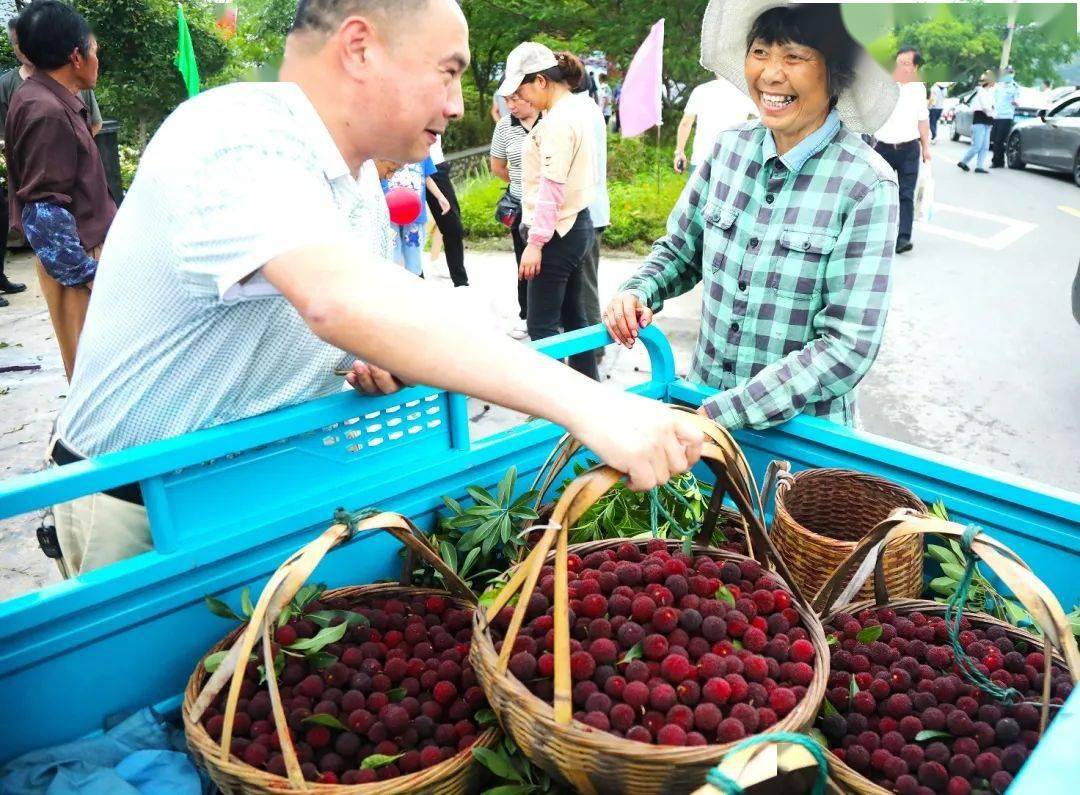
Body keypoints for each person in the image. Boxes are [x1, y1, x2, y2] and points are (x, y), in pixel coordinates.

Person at [49, 0, 703, 576]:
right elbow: (336, 299)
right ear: (360, 48)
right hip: (139, 510)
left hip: (252, 489)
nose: (456, 101)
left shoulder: (359, 185)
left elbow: (364, 312)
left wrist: (367, 357)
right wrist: (590, 406)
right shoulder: (234, 136)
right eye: (447, 71)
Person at [605, 0, 900, 431]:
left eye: (794, 57)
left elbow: (848, 346)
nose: (770, 74)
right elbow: (681, 251)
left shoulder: (866, 185)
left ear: (835, 73)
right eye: (760, 52)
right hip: (702, 408)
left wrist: (729, 412)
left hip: (801, 441)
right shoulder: (729, 149)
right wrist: (638, 291)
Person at [6, 2, 115, 381]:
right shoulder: (45, 109)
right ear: (76, 56)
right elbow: (44, 209)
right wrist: (88, 274)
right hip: (77, 262)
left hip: (82, 253)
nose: (97, 60)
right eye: (95, 51)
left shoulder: (44, 96)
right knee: (98, 378)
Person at [500, 44, 598, 381]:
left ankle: (557, 406)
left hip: (557, 231)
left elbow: (551, 187)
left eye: (520, 88)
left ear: (540, 81)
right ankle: (589, 392)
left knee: (541, 324)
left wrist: (536, 243)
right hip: (576, 224)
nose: (519, 97)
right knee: (574, 318)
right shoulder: (577, 109)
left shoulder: (558, 120)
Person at [490, 92, 541, 337]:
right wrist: (521, 183)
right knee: (524, 263)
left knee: (552, 263)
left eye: (515, 99)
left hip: (550, 206)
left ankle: (555, 316)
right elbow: (497, 167)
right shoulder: (504, 126)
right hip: (521, 207)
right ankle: (527, 314)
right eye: (506, 99)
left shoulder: (551, 119)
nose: (509, 106)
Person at [0, 15, 104, 136]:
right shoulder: (5, 85)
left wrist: (76, 148)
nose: (25, 47)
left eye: (30, 40)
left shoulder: (73, 76)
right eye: (18, 42)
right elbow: (4, 135)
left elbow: (95, 123)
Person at [873, 46, 930, 255]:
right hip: (883, 148)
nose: (900, 67)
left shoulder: (919, 88)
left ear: (915, 67)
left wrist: (926, 148)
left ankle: (903, 238)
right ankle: (877, 235)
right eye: (898, 62)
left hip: (909, 149)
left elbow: (922, 120)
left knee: (906, 195)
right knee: (879, 194)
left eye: (906, 63)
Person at [572, 70, 611, 349]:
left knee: (585, 286)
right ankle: (588, 347)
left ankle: (594, 349)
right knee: (583, 284)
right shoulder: (588, 108)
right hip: (590, 210)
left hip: (586, 213)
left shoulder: (578, 112)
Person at [378, 157, 450, 276]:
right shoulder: (387, 148)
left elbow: (427, 177)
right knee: (392, 252)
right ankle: (394, 284)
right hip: (389, 212)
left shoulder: (422, 151)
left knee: (414, 253)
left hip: (413, 213)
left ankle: (415, 283)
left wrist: (440, 197)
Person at [674, 73, 758, 175]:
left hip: (702, 158)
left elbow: (685, 123)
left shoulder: (701, 91)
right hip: (733, 161)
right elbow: (764, 120)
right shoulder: (746, 93)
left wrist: (679, 152)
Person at [424, 134, 468, 285]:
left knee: (453, 227)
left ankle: (461, 282)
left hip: (435, 167)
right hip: (406, 167)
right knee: (406, 232)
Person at [958, 70, 995, 174]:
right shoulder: (981, 92)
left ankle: (979, 166)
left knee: (985, 146)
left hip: (988, 121)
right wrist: (992, 112)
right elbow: (985, 107)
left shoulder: (990, 93)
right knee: (977, 145)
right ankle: (963, 161)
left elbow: (992, 107)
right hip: (980, 120)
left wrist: (992, 112)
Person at [990, 65, 1019, 168]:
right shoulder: (999, 85)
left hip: (1006, 116)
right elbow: (994, 99)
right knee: (994, 139)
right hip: (997, 115)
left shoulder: (1015, 87)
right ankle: (999, 161)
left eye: (1010, 73)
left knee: (1000, 140)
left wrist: (1016, 103)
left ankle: (996, 161)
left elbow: (1018, 100)